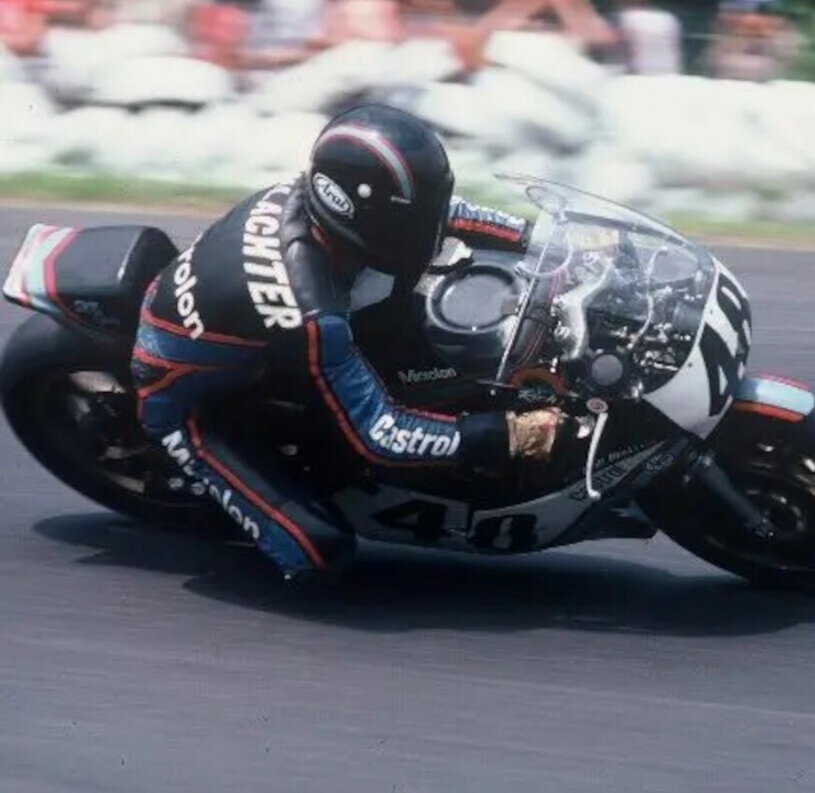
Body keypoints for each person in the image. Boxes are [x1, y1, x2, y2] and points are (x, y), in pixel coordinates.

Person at [131, 104, 568, 581]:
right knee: (320, 550)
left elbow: (449, 214)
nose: (427, 230)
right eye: (410, 223)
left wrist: (548, 243)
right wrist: (507, 434)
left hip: (255, 335)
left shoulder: (332, 207)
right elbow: (379, 435)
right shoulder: (311, 306)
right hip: (182, 394)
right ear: (357, 214)